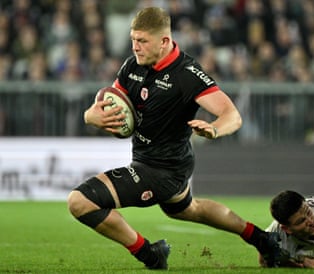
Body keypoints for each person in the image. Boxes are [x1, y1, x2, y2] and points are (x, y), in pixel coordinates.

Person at [67, 7, 282, 270]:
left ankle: (150, 253)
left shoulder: (187, 74)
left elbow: (232, 115)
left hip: (163, 170)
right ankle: (261, 238)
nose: (135, 47)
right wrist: (91, 116)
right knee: (190, 210)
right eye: (134, 39)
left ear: (165, 41)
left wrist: (214, 129)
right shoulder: (132, 65)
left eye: (143, 41)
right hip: (152, 160)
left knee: (80, 201)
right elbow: (103, 104)